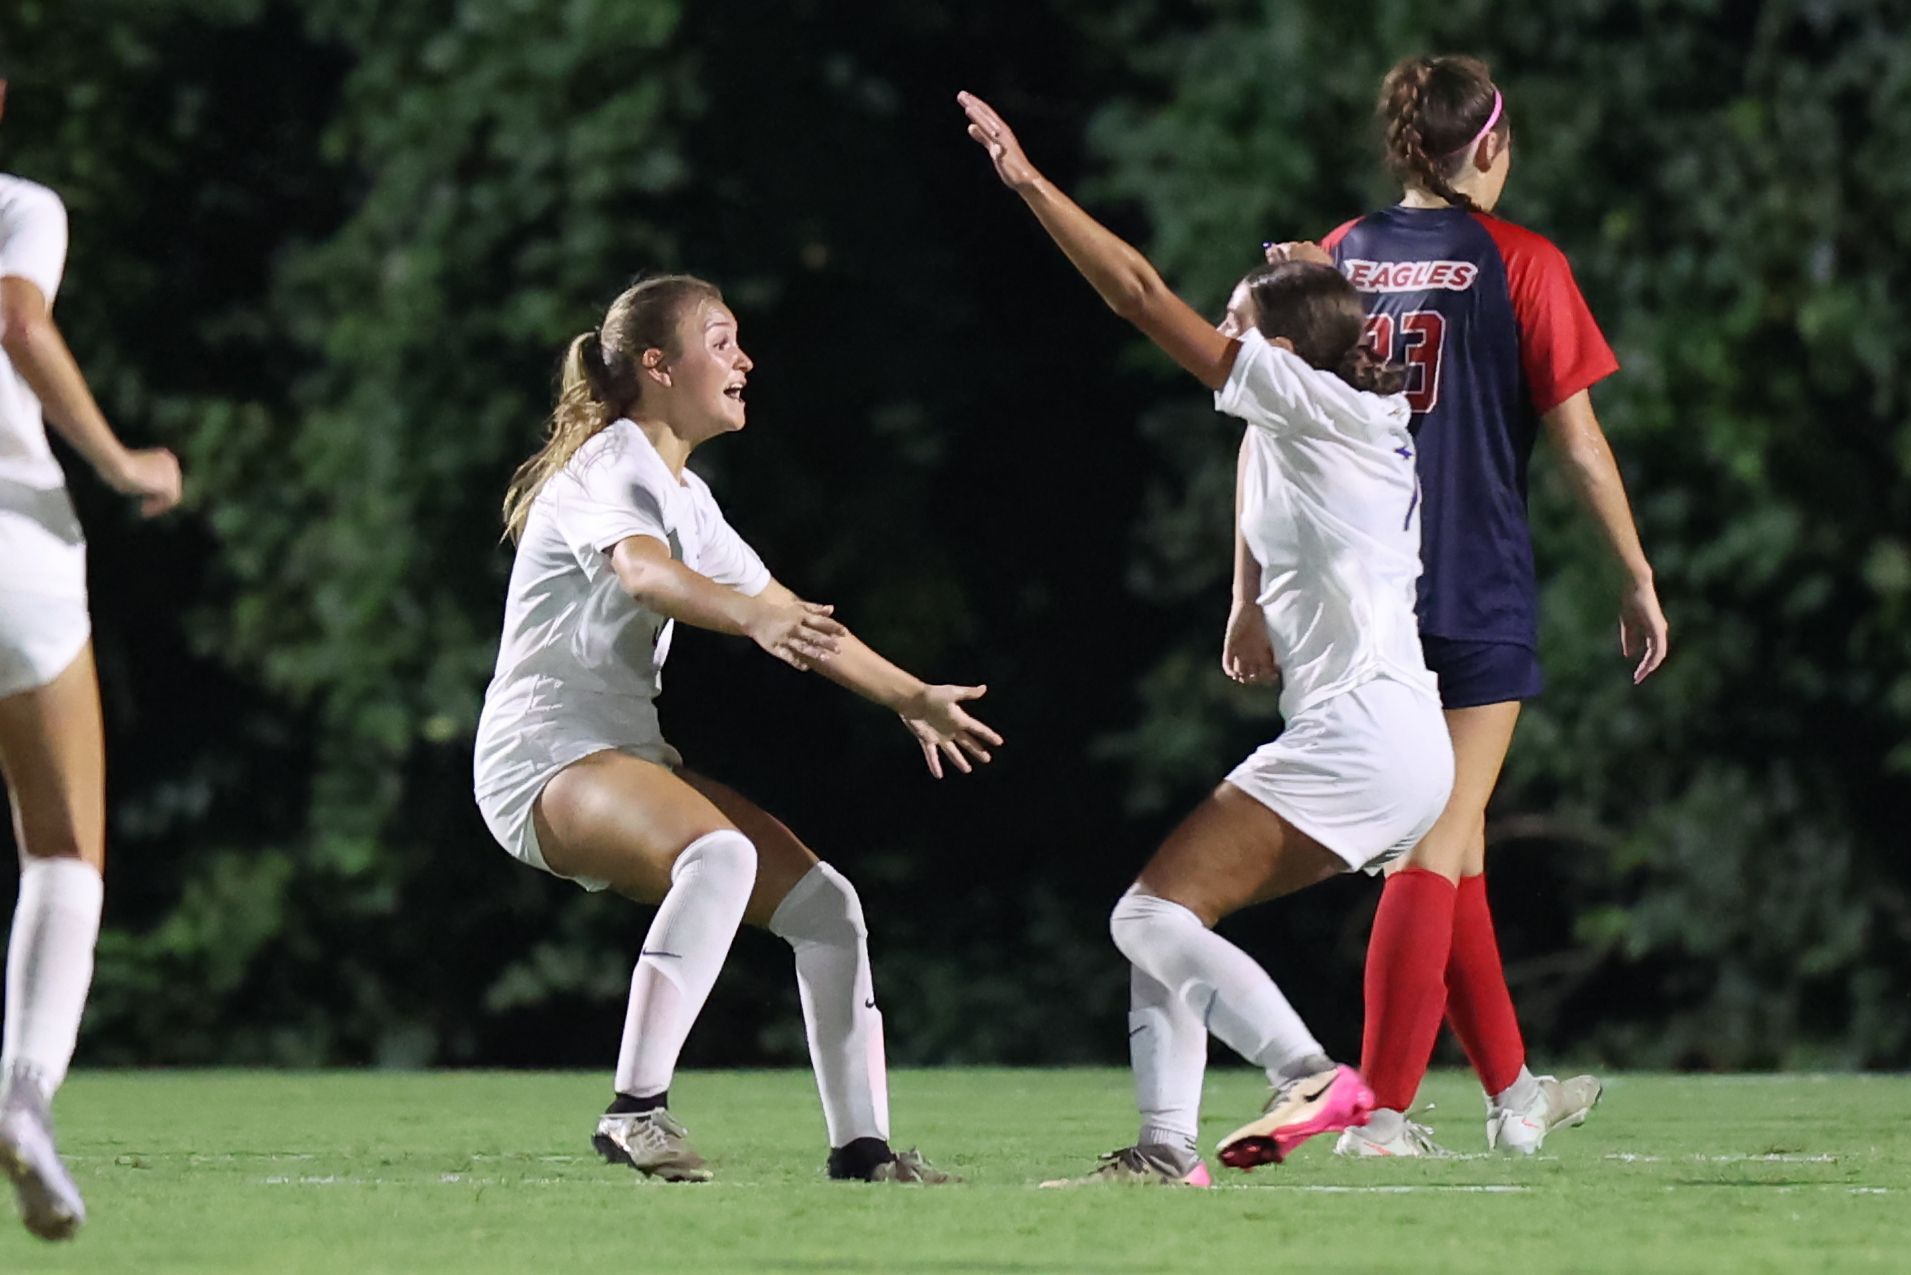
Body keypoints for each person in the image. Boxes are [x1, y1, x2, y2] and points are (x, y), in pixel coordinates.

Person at [959, 90, 1453, 1186]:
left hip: (1365, 733)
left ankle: (1309, 1073)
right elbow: (1261, 442)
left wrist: (1029, 183)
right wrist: (1245, 595)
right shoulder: (1329, 406)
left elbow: (1136, 293)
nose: (1220, 336)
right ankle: (1163, 1149)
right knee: (1173, 909)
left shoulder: (1306, 401)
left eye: (1237, 324)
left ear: (1279, 349)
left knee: (1145, 914)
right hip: (1390, 738)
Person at [474, 274, 998, 1184]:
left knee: (828, 911)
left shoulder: (685, 492)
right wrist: (746, 617)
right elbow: (643, 574)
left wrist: (908, 695)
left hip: (620, 756)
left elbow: (791, 617)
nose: (743, 360)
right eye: (720, 342)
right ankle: (634, 1111)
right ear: (656, 364)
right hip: (541, 760)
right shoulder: (613, 464)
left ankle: (863, 1152)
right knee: (719, 857)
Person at [1240, 54, 1669, 1156]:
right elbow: (1576, 439)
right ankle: (1373, 1110)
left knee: (1455, 839)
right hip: (1473, 584)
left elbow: (1270, 426)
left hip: (1354, 595)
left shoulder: (1337, 254)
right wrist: (1636, 575)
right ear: (1489, 143)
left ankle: (1514, 1090)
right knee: (1432, 844)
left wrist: (1244, 596)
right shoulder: (1522, 261)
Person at [0, 64, 184, 1241]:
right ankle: (23, 1103)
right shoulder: (23, 202)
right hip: (14, 540)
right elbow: (17, 317)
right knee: (67, 848)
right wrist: (121, 462)